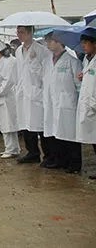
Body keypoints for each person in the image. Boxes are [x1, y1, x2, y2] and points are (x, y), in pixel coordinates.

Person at [14, 25, 53, 164]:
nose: (19, 35)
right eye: (18, 32)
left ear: (31, 33)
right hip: (23, 93)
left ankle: (48, 155)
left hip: (38, 93)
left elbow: (46, 73)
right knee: (25, 123)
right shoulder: (18, 51)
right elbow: (19, 72)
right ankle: (32, 152)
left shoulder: (42, 50)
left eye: (22, 32)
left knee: (41, 126)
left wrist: (42, 91)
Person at [45, 32, 82, 173]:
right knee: (58, 134)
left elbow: (78, 85)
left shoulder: (73, 61)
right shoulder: (50, 61)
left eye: (51, 41)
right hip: (55, 103)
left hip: (68, 104)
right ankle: (62, 161)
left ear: (59, 42)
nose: (48, 44)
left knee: (71, 135)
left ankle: (75, 164)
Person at [0, 41, 21, 158]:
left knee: (9, 123)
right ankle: (12, 148)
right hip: (0, 97)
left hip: (6, 97)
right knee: (5, 124)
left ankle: (11, 148)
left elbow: (8, 80)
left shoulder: (10, 61)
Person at [75, 33, 96, 179]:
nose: (83, 46)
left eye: (86, 43)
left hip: (93, 104)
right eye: (82, 43)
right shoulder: (86, 60)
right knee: (94, 141)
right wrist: (84, 76)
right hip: (89, 104)